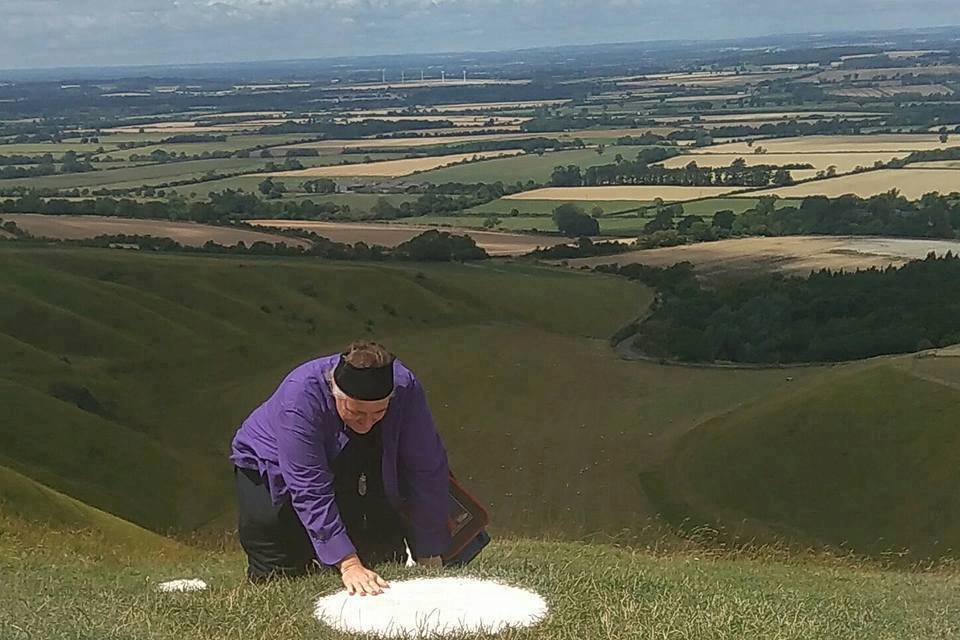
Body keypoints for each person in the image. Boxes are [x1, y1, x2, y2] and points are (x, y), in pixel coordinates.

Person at [230, 340, 451, 595]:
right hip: (269, 463)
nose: (367, 423)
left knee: (376, 544)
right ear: (335, 393)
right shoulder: (300, 397)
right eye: (357, 412)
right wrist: (349, 564)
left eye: (378, 412)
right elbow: (309, 487)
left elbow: (425, 467)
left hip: (348, 451)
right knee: (279, 550)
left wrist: (429, 550)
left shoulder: (405, 386)